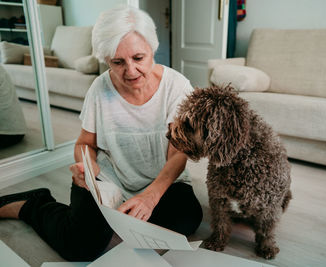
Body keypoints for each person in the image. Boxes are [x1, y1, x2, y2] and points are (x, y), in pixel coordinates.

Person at [0, 5, 202, 261]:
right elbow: (85, 143)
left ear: (153, 48)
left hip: (161, 181)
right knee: (78, 247)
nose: (130, 71)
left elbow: (178, 154)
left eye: (138, 58)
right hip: (110, 181)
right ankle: (33, 204)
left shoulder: (178, 87)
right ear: (107, 59)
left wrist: (150, 197)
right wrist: (87, 165)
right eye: (118, 62)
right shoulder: (99, 89)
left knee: (189, 217)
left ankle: (120, 222)